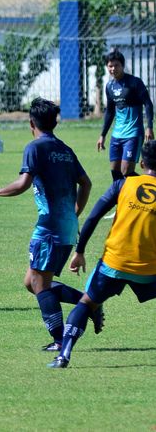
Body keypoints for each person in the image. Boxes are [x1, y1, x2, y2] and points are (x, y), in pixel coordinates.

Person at [0, 97, 101, 351]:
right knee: (32, 282)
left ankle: (60, 339)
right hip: (67, 227)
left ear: (31, 123)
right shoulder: (65, 149)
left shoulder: (35, 147)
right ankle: (88, 302)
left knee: (39, 285)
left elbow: (24, 183)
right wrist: (75, 213)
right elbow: (87, 183)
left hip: (49, 229)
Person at [49, 140, 156, 368]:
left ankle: (63, 355)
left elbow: (93, 217)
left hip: (114, 263)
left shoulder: (123, 184)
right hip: (149, 269)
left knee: (85, 303)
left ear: (142, 162)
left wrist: (79, 251)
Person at [97, 49, 153, 181]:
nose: (113, 69)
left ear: (122, 65)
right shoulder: (109, 86)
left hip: (133, 134)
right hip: (117, 135)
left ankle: (151, 186)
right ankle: (122, 201)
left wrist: (149, 127)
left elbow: (148, 104)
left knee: (126, 171)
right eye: (110, 66)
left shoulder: (134, 82)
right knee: (115, 173)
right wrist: (102, 135)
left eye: (116, 65)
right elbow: (110, 112)